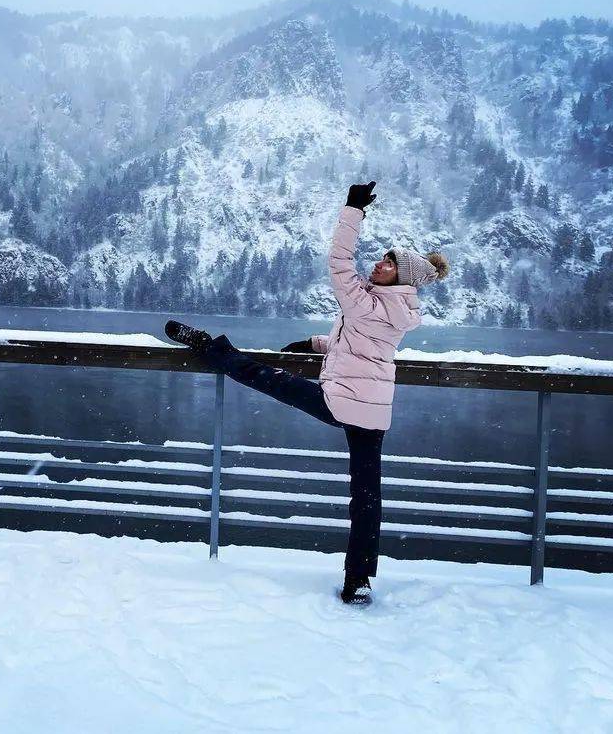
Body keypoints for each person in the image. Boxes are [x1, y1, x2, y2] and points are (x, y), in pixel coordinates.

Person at [165, 181, 449, 605]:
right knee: (367, 498)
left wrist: (353, 210)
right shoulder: (393, 309)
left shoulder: (370, 303)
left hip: (341, 400)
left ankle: (210, 347)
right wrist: (315, 345)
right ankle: (359, 580)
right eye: (383, 258)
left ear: (400, 278)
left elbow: (338, 263)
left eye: (388, 265)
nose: (378, 265)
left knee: (261, 375)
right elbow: (362, 343)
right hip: (372, 412)